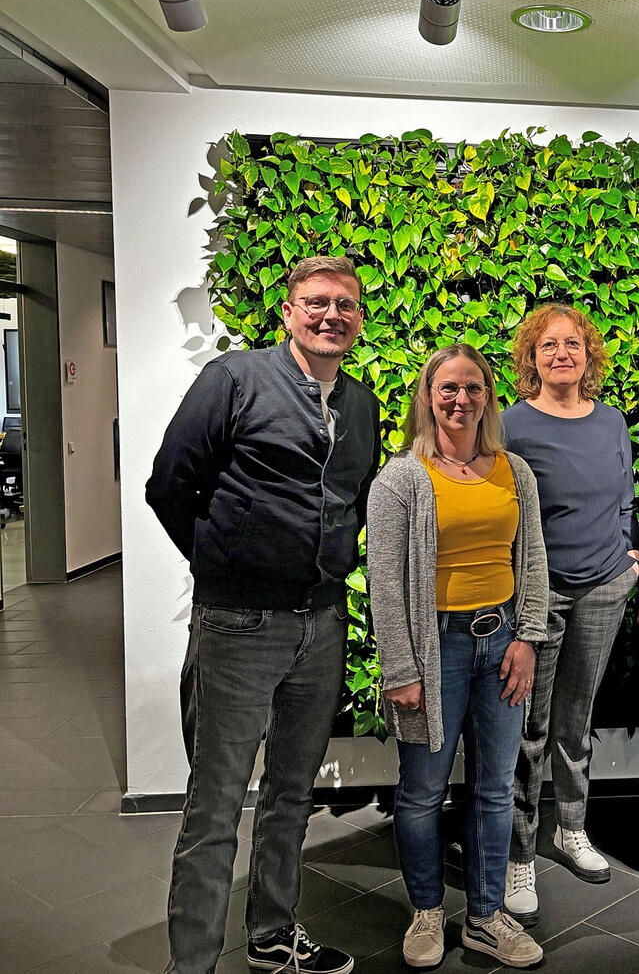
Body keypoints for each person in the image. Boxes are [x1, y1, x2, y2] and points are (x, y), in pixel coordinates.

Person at [146, 255, 381, 974]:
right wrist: (221, 562)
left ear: (358, 319)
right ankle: (191, 963)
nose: (330, 315)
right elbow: (169, 485)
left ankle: (274, 938)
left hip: (322, 623)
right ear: (288, 312)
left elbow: (352, 500)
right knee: (215, 806)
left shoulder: (362, 404)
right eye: (315, 302)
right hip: (237, 625)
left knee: (291, 795)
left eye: (344, 304)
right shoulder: (234, 380)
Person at [367, 343, 549, 970]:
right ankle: (425, 913)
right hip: (433, 648)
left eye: (473, 387)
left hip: (501, 643)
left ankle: (485, 917)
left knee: (496, 790)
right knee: (421, 792)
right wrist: (401, 667)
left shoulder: (513, 471)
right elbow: (385, 581)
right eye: (448, 388)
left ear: (487, 397)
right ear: (428, 396)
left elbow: (531, 562)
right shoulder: (401, 479)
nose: (461, 399)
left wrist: (527, 637)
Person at [500, 305, 639, 926]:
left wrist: (631, 556)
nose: (562, 353)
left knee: (576, 723)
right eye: (549, 345)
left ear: (589, 354)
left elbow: (626, 495)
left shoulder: (611, 422)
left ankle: (572, 829)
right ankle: (519, 851)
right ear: (532, 358)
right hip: (540, 595)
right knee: (528, 728)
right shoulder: (511, 426)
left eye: (573, 344)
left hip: (605, 589)